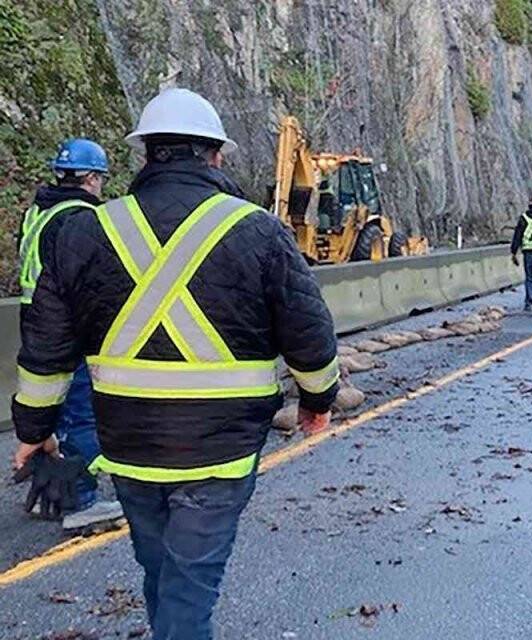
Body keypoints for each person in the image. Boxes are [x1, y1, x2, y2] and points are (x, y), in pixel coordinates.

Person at [11, 88, 340, 640]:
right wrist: (317, 402)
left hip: (131, 448)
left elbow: (46, 346)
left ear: (144, 155)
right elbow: (309, 333)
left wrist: (32, 430)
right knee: (188, 585)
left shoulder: (88, 231)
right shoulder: (257, 229)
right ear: (216, 156)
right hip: (222, 451)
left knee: (163, 571)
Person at [16, 138, 124, 531]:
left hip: (36, 322)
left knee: (51, 411)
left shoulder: (38, 212)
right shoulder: (80, 218)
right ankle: (81, 502)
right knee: (80, 413)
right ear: (93, 178)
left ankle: (52, 492)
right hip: (69, 328)